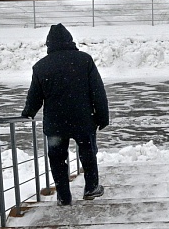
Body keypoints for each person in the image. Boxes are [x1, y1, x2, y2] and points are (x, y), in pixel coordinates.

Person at [21, 23, 109, 206]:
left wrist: (28, 113)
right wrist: (102, 116)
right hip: (83, 119)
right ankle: (91, 187)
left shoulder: (41, 66)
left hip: (55, 123)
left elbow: (35, 97)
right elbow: (98, 91)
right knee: (88, 152)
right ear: (70, 40)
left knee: (57, 159)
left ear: (49, 44)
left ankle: (63, 196)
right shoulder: (84, 60)